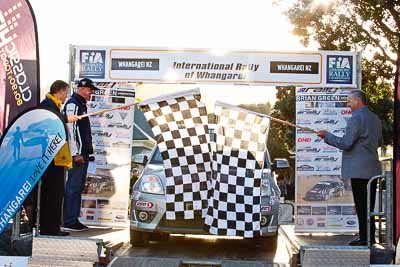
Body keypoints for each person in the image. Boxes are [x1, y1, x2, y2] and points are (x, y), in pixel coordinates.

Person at [317, 90, 382, 246]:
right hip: (372, 170)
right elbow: (379, 142)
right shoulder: (375, 119)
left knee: (361, 206)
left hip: (359, 172)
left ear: (358, 101)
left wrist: (327, 136)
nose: (347, 104)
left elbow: (346, 143)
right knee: (369, 207)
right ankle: (369, 237)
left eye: (349, 101)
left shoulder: (355, 118)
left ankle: (365, 239)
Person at [37, 80, 79, 236]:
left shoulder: (52, 105)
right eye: (66, 92)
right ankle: (50, 228)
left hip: (54, 158)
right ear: (60, 91)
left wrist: (66, 119)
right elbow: (50, 124)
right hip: (51, 159)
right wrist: (66, 119)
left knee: (54, 193)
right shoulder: (48, 105)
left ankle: (51, 226)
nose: (66, 96)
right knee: (53, 194)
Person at [63, 78, 96, 231]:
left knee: (77, 187)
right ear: (82, 89)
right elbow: (71, 130)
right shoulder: (73, 104)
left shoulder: (80, 104)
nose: (91, 93)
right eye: (90, 90)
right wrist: (76, 153)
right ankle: (69, 221)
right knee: (73, 186)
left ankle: (73, 219)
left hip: (82, 153)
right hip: (76, 154)